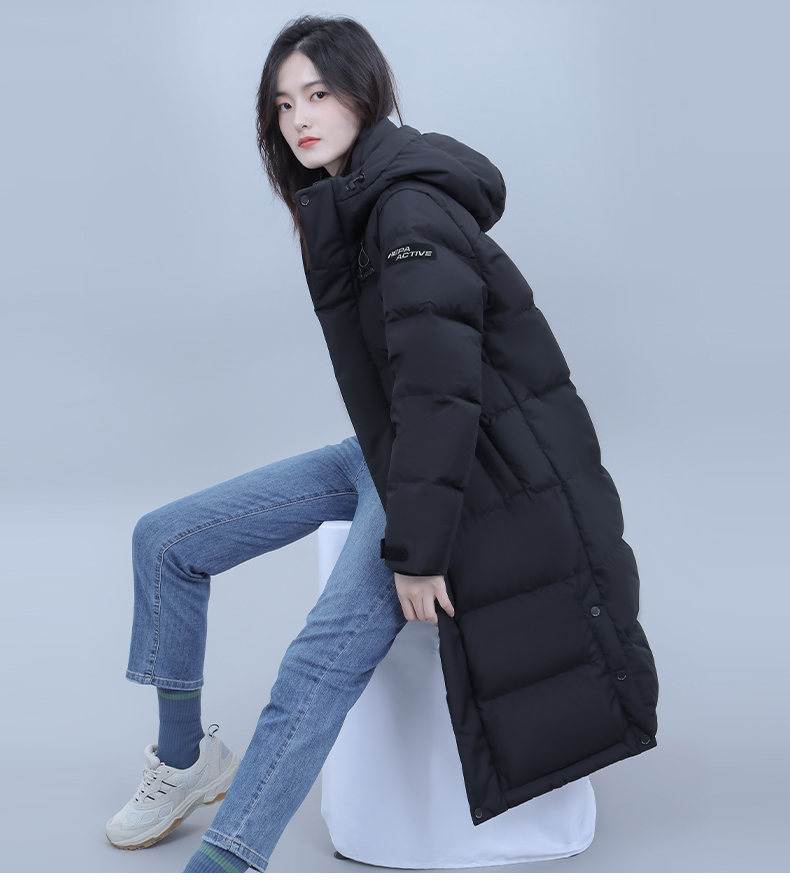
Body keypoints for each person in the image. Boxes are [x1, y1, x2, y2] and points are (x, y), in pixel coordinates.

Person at [107, 12, 658, 875]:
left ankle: (227, 858)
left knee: (319, 657)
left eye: (318, 94)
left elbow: (442, 395)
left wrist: (420, 551)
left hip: (463, 464)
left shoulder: (406, 208)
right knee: (167, 540)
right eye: (283, 103)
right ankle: (186, 761)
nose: (299, 118)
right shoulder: (357, 198)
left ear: (364, 92)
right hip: (385, 451)